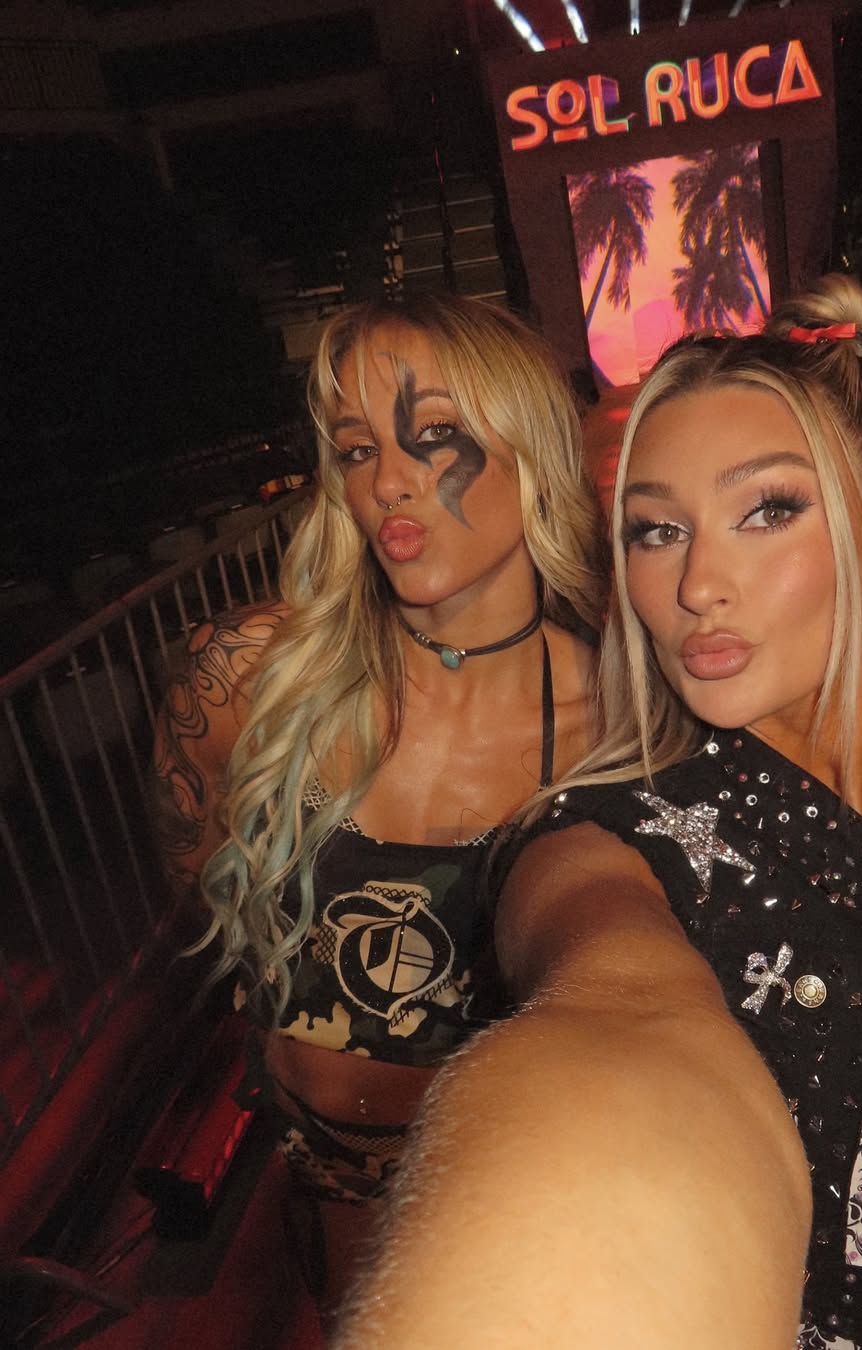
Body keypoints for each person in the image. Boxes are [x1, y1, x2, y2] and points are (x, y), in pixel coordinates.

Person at [333, 275, 862, 1350]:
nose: (697, 585)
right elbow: (618, 1010)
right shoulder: (607, 843)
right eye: (655, 531)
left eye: (767, 510)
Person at [152, 293, 606, 1322]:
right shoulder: (244, 682)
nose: (387, 480)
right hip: (317, 1193)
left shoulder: (620, 731)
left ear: (531, 447)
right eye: (356, 450)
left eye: (433, 434)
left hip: (513, 1212)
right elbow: (207, 892)